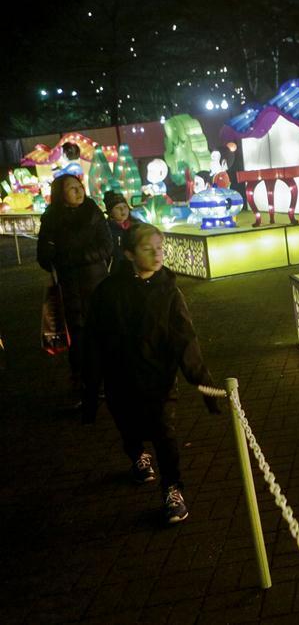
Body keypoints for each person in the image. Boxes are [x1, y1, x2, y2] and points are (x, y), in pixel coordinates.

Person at [82, 223, 220, 524]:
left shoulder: (169, 291)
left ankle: (172, 488)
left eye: (160, 247)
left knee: (164, 434)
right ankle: (136, 455)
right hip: (120, 379)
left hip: (159, 380)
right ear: (129, 253)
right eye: (148, 248)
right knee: (129, 427)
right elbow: (93, 339)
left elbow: (186, 340)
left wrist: (205, 385)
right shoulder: (108, 291)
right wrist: (90, 391)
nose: (157, 254)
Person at [37, 174, 113, 402]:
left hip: (97, 283)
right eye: (72, 188)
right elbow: (43, 256)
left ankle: (106, 382)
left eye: (79, 186)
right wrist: (56, 257)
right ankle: (82, 383)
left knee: (103, 333)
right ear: (61, 194)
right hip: (70, 289)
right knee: (78, 339)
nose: (78, 191)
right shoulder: (51, 219)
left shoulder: (93, 212)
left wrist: (75, 257)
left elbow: (107, 247)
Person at [104, 190, 139, 273]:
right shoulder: (106, 229)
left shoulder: (137, 225)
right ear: (110, 212)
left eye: (125, 206)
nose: (122, 210)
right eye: (117, 208)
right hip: (117, 269)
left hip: (136, 267)